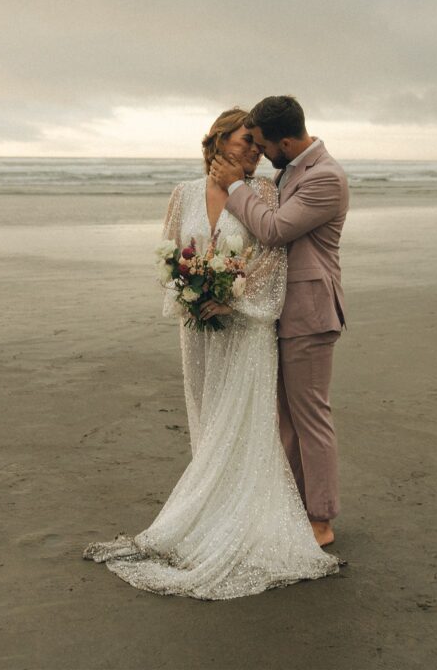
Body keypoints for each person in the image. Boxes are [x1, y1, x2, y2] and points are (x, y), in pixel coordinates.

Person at [83, 107, 340, 600]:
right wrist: (189, 295)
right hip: (198, 327)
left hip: (246, 329)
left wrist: (233, 297)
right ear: (218, 140)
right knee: (205, 412)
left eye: (258, 143)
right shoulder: (182, 194)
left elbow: (270, 260)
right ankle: (211, 508)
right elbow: (170, 253)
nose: (254, 151)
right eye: (245, 140)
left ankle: (263, 517)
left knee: (244, 418)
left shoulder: (266, 193)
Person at [210, 96, 349, 549]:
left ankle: (321, 519)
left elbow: (272, 229)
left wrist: (233, 188)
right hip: (280, 309)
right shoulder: (288, 171)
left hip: (309, 312)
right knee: (286, 419)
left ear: (286, 141)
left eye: (266, 145)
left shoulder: (325, 177)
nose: (262, 153)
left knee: (310, 417)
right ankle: (295, 508)